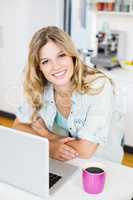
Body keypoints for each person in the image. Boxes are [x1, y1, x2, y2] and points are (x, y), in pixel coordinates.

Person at [13, 26, 124, 163]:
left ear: (72, 56)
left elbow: (85, 150)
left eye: (61, 55)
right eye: (45, 61)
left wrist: (46, 136)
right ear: (39, 68)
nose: (56, 66)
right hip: (64, 162)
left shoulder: (98, 86)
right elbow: (18, 126)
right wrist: (52, 145)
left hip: (101, 165)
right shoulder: (39, 86)